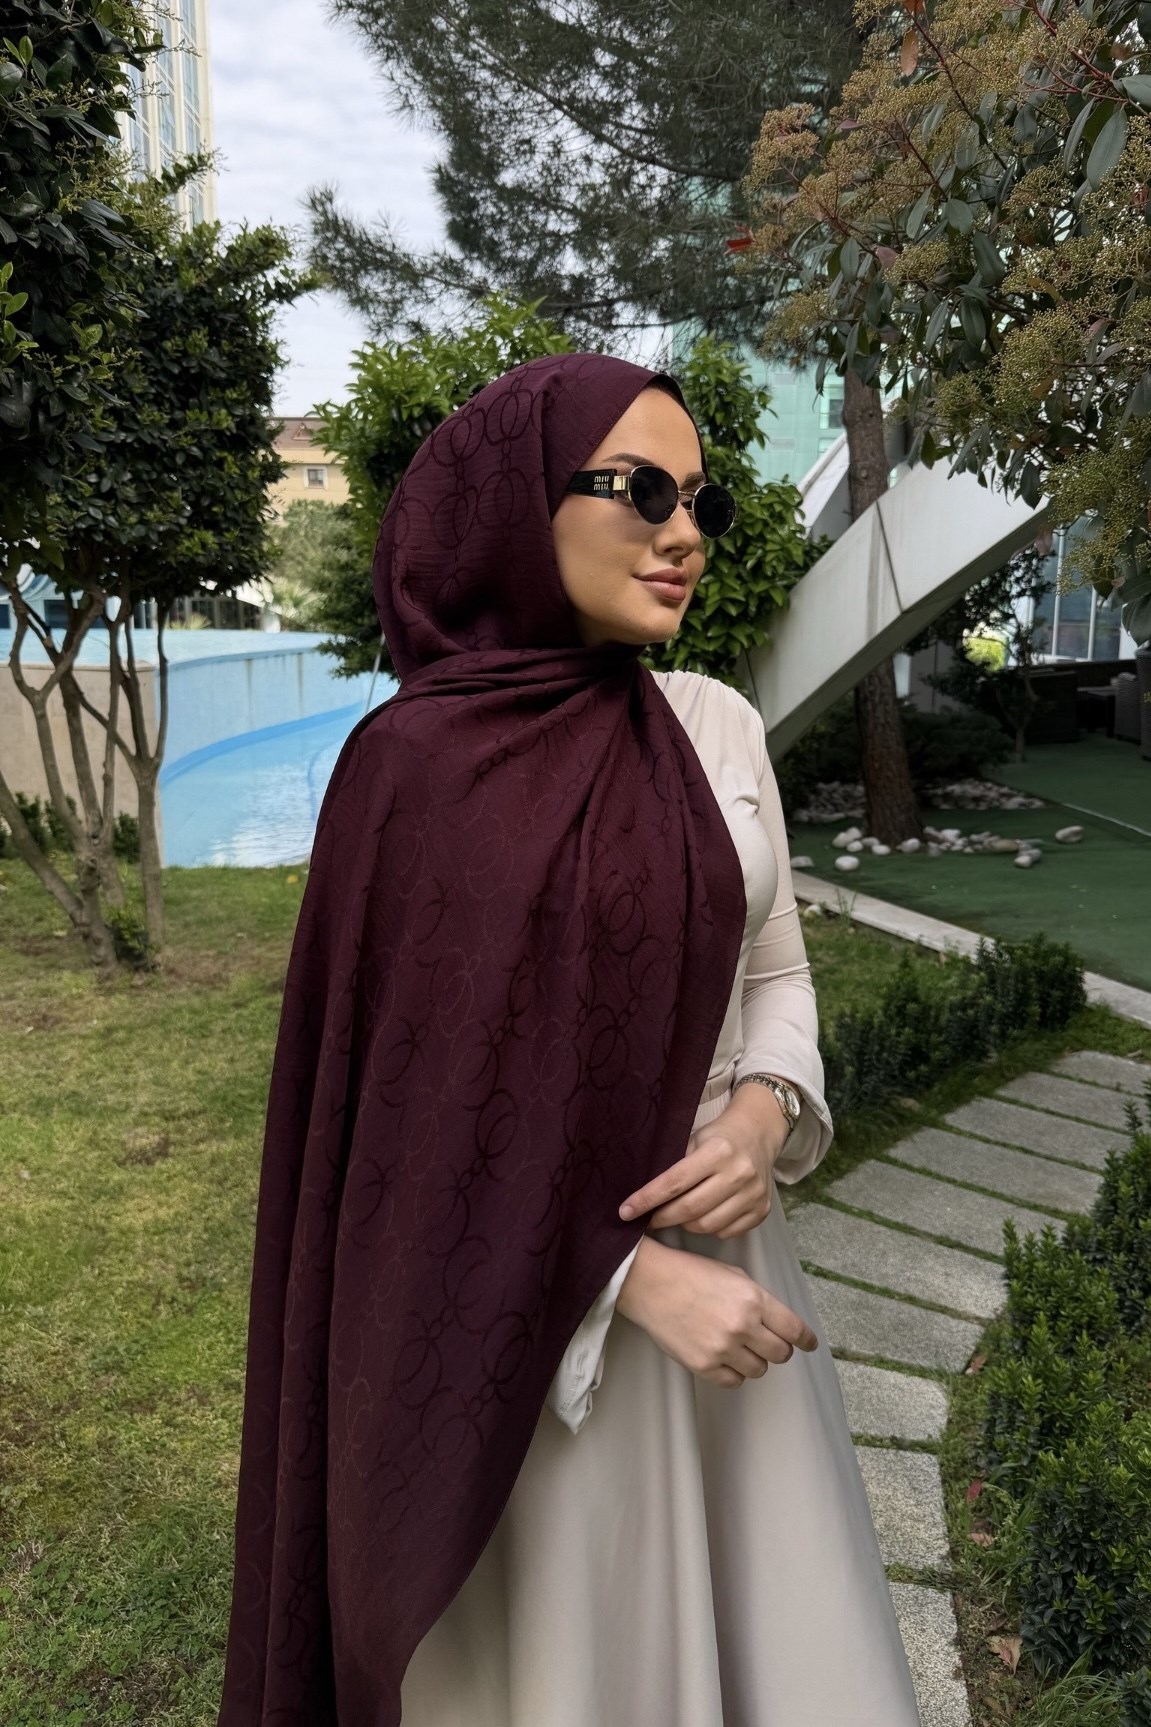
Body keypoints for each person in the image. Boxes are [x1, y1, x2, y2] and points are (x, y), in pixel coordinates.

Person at [217, 352, 922, 1727]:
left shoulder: (715, 725)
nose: (684, 533)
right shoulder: (409, 774)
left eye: (703, 502)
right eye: (642, 490)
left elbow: (778, 970)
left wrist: (765, 1112)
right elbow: (405, 1148)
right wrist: (625, 1282)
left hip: (737, 1300)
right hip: (520, 1348)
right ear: (516, 501)